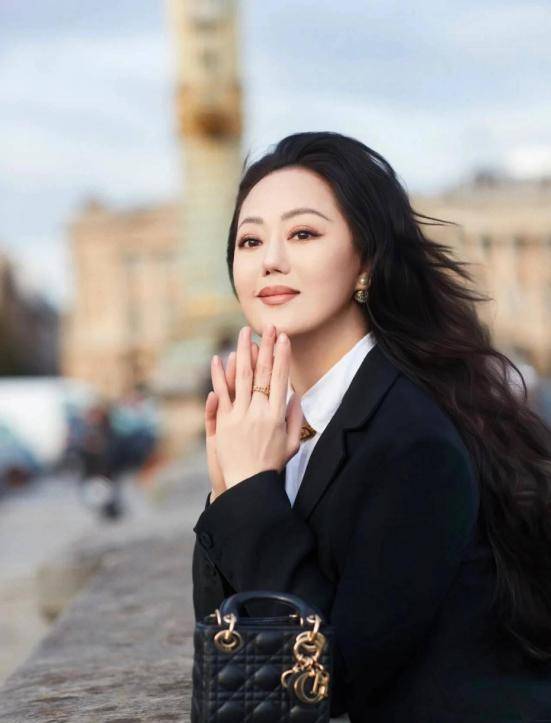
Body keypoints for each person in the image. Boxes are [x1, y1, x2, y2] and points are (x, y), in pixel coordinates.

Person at [191, 131, 551, 722]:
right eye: (250, 240)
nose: (269, 259)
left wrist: (251, 492)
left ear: (368, 261)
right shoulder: (294, 420)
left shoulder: (412, 439)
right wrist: (227, 490)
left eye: (303, 234)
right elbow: (228, 648)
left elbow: (330, 679)